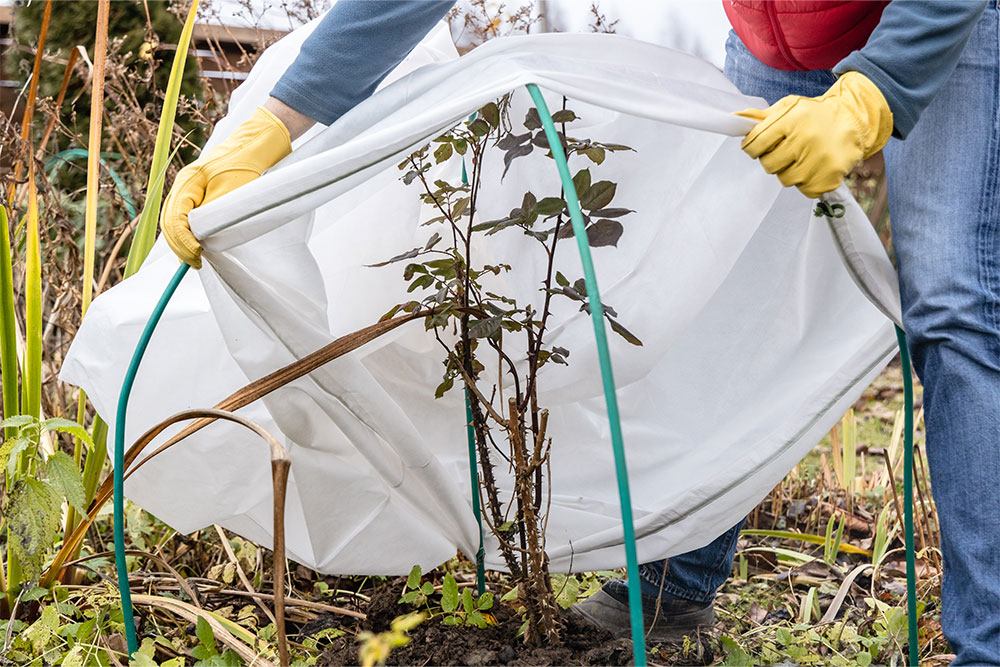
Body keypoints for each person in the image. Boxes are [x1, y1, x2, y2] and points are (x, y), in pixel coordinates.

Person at [161, 1, 999, 662]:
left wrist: (877, 88)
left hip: (941, 21)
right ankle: (671, 591)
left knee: (953, 301)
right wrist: (275, 124)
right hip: (777, 31)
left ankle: (986, 644)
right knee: (715, 270)